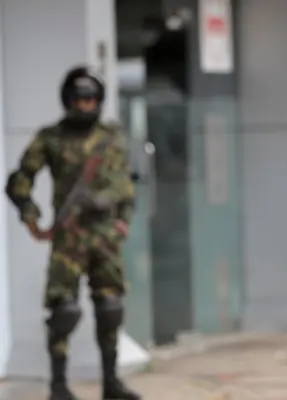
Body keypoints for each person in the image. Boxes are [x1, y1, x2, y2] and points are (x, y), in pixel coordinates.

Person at [5, 66, 140, 400]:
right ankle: (58, 385)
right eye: (79, 99)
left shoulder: (112, 137)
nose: (85, 105)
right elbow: (19, 180)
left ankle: (111, 382)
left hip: (105, 236)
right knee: (64, 311)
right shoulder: (51, 137)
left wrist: (124, 219)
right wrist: (30, 216)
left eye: (90, 99)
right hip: (70, 236)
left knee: (111, 308)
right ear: (68, 100)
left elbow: (126, 185)